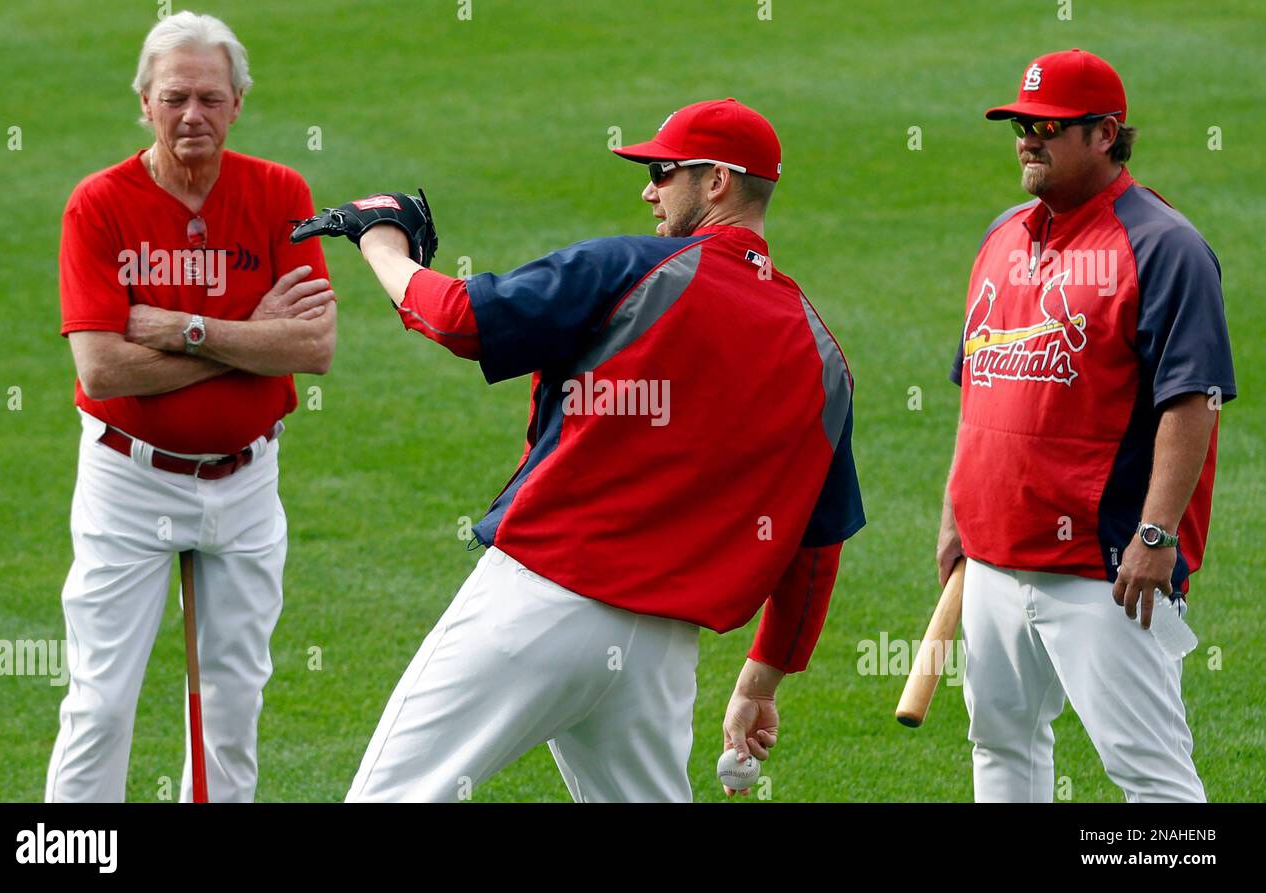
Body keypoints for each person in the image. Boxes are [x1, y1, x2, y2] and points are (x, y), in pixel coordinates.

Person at [295, 98, 865, 802]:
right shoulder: (823, 354)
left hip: (542, 602)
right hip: (659, 656)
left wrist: (381, 241)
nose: (647, 190)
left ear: (717, 180)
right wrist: (761, 678)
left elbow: (459, 318)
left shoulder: (630, 267)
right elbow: (816, 551)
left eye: (663, 171)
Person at [48, 11, 336, 802]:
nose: (192, 115)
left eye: (210, 97)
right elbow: (102, 368)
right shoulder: (98, 204)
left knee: (230, 712)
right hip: (128, 482)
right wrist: (251, 336)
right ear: (144, 101)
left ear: (238, 103)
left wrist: (184, 330)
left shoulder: (281, 192)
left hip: (245, 484)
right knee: (101, 704)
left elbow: (311, 348)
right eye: (174, 97)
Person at [938, 49, 1236, 802]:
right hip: (994, 559)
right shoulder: (1002, 235)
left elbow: (1193, 399)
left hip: (1106, 568)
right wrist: (956, 516)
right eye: (1018, 125)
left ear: (1106, 134)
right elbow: (978, 388)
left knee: (1151, 776)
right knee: (1002, 749)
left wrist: (1156, 534)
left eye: (1046, 126)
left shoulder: (1165, 246)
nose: (1025, 140)